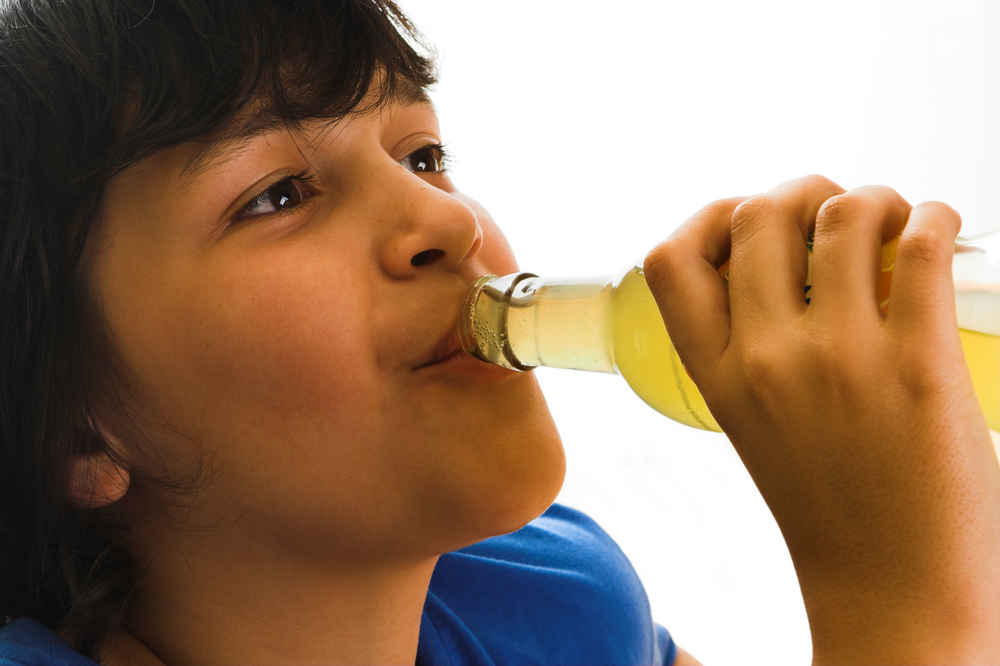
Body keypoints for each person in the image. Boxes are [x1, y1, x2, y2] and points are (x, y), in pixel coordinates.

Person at [0, 1, 995, 664]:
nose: (447, 222)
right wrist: (904, 595)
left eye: (422, 152)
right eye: (278, 194)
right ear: (73, 431)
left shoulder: (551, 595)